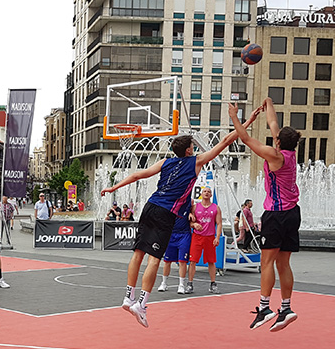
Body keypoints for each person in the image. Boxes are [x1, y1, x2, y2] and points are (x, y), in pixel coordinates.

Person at [100, 116, 256, 328]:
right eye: (193, 146)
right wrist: (244, 124)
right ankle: (142, 305)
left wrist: (113, 188)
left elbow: (138, 175)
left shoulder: (166, 162)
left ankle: (129, 297)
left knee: (138, 253)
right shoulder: (196, 162)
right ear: (190, 151)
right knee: (154, 259)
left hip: (150, 206)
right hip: (165, 213)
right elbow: (225, 141)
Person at [229, 99, 301, 332]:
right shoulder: (289, 154)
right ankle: (287, 308)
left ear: (279, 141)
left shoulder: (275, 156)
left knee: (266, 262)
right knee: (284, 264)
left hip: (276, 215)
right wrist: (269, 103)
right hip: (292, 214)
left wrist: (234, 117)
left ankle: (264, 307)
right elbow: (273, 123)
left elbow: (247, 140)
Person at [188, 186, 222, 294]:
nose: (206, 193)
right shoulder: (195, 207)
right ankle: (189, 283)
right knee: (192, 261)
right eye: (205, 191)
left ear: (211, 195)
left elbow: (219, 223)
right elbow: (189, 222)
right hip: (197, 237)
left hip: (210, 237)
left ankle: (213, 284)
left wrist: (217, 237)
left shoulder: (216, 208)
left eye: (209, 192)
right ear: (201, 194)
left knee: (211, 261)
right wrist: (194, 224)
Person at [157, 209, 192, 294]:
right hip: (171, 234)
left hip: (184, 234)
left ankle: (181, 285)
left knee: (182, 261)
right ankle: (164, 283)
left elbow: (193, 211)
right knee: (167, 261)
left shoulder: (188, 202)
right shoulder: (171, 202)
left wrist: (191, 214)